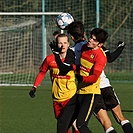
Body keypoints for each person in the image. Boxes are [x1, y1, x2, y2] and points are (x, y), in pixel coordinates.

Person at [29, 33, 78, 133]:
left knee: (74, 124)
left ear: (69, 44)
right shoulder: (49, 59)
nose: (62, 45)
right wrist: (34, 87)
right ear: (56, 44)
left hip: (70, 97)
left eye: (65, 42)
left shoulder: (73, 58)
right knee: (63, 125)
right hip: (56, 98)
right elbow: (42, 72)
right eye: (60, 43)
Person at [93, 42, 133, 133]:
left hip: (92, 89)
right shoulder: (99, 47)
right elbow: (110, 58)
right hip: (105, 86)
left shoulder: (76, 50)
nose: (90, 40)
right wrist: (120, 48)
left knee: (106, 123)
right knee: (120, 117)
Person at [74, 27, 108, 133]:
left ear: (100, 44)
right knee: (73, 122)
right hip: (79, 91)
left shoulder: (100, 56)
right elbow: (78, 67)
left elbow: (94, 77)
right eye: (90, 37)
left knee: (81, 124)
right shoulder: (84, 47)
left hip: (91, 93)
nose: (90, 40)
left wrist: (82, 78)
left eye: (94, 39)